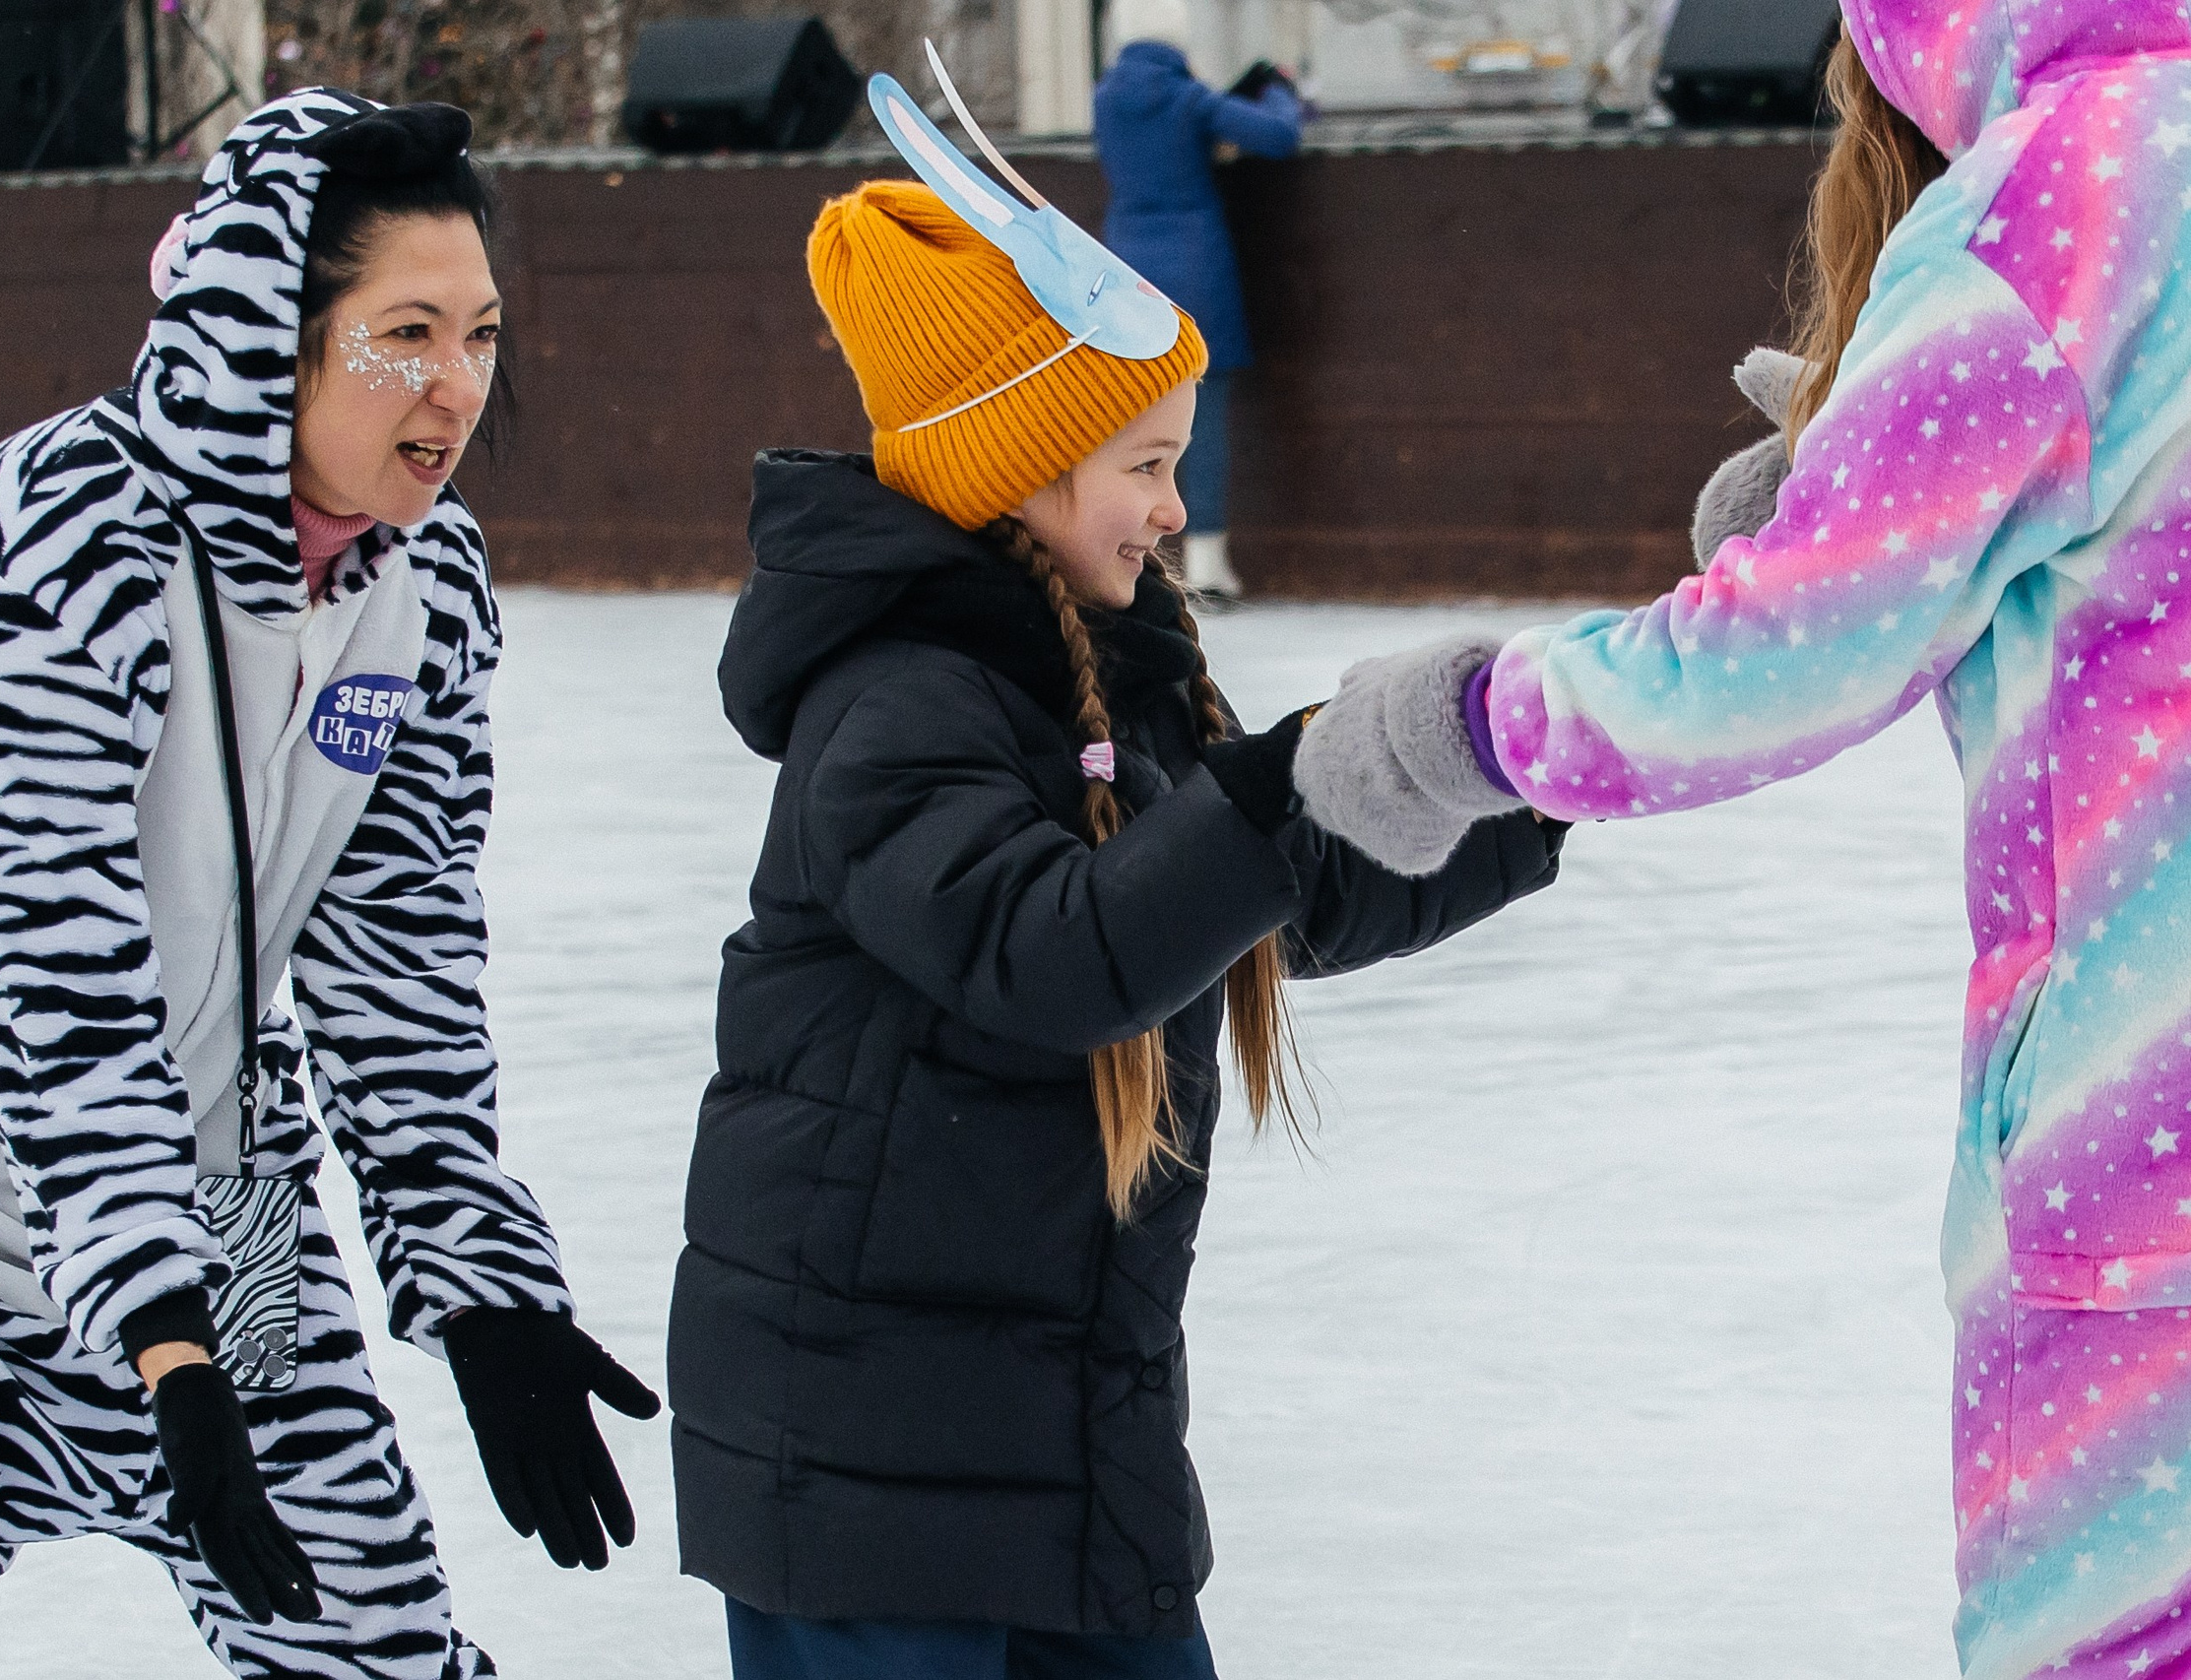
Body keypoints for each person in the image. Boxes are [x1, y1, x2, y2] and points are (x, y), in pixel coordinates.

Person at [0, 90, 655, 1679]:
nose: (458, 384)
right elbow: (50, 969)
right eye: (408, 331)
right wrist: (166, 1336)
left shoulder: (427, 598)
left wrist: (480, 1285)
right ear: (273, 330)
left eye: (481, 334)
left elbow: (397, 969)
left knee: (359, 1602)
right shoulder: (58, 549)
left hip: (179, 1118)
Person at [1290, 8, 2191, 1676]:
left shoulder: (2057, 200)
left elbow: (1776, 659)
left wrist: (1464, 729)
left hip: (2146, 1184)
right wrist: (1856, 463)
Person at [664, 156, 1566, 1678]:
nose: (1172, 506)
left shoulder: (1098, 677)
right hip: (869, 1465)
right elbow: (1058, 949)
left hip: (1068, 1432)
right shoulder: (892, 701)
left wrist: (1545, 753)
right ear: (1019, 461)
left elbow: (1286, 896)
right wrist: (1283, 779)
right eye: (1142, 462)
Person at [1093, 0, 1305, 603]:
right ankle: (1208, 563)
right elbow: (1280, 134)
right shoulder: (1189, 100)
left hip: (1125, 267)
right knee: (1201, 418)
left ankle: (1123, 551)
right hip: (1195, 264)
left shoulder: (1105, 99)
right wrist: (1279, 87)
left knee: (1130, 422)